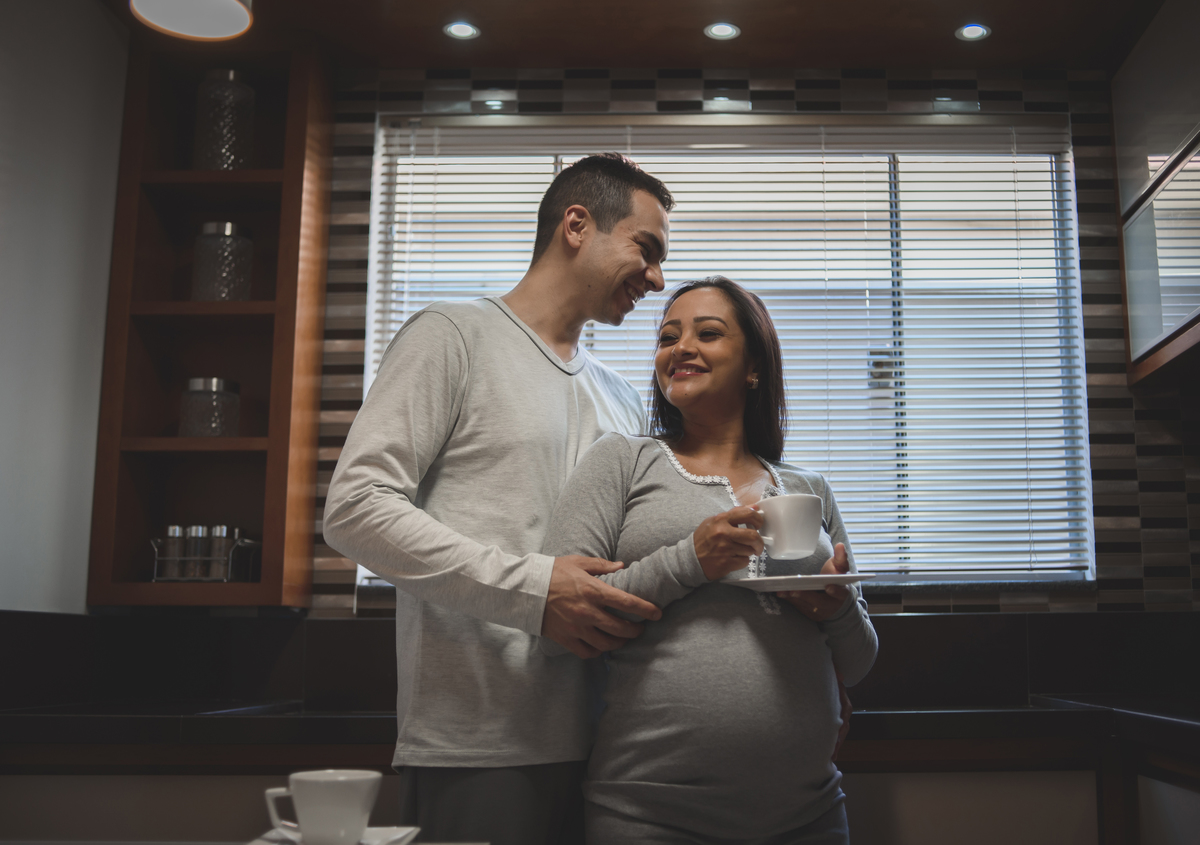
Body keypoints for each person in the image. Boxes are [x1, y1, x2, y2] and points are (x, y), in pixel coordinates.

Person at [322, 153, 675, 845]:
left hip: (612, 749)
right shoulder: (453, 335)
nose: (658, 279)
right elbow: (355, 509)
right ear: (577, 225)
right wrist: (535, 591)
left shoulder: (624, 397)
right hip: (477, 745)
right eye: (647, 248)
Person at [541, 277, 879, 844]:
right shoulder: (623, 462)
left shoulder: (808, 487)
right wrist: (692, 559)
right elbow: (558, 624)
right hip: (649, 815)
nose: (681, 347)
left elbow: (861, 660)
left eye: (709, 333)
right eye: (668, 336)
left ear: (753, 367)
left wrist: (837, 610)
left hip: (809, 814)